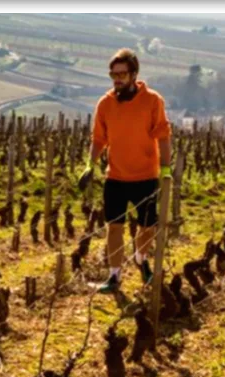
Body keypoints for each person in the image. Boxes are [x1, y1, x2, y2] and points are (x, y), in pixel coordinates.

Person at [82, 48, 172, 294]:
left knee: (148, 227)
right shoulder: (105, 104)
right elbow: (99, 139)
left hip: (146, 175)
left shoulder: (153, 100)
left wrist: (165, 168)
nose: (117, 79)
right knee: (114, 227)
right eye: (113, 74)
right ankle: (114, 277)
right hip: (116, 177)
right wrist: (90, 164)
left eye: (121, 74)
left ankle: (141, 259)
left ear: (134, 74)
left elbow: (163, 136)